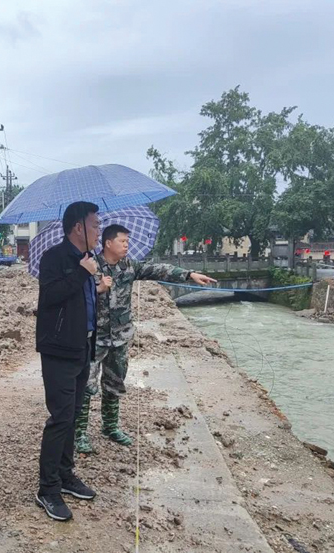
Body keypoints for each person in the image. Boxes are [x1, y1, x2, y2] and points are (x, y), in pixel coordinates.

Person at [74, 224, 216, 454]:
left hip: (120, 338)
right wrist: (97, 288)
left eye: (127, 242)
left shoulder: (129, 267)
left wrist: (189, 275)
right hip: (94, 339)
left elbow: (158, 270)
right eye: (122, 241)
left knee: (114, 384)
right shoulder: (89, 266)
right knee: (86, 386)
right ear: (108, 243)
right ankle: (79, 434)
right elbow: (75, 296)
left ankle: (110, 427)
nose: (126, 246)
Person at [34, 201, 101, 522]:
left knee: (73, 415)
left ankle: (65, 474)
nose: (99, 230)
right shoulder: (55, 258)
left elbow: (79, 301)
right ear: (78, 227)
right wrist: (82, 273)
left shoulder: (87, 260)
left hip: (82, 345)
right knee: (60, 417)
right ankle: (47, 489)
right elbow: (51, 297)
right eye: (95, 225)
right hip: (59, 349)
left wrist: (97, 286)